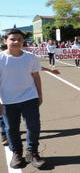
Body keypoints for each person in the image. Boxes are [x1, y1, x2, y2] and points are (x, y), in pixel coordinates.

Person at [0, 29, 46, 169]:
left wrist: (39, 95)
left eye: (19, 39)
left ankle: (32, 152)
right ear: (5, 41)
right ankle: (17, 153)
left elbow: (36, 77)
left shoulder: (30, 57)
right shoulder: (1, 58)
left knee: (33, 125)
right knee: (11, 128)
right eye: (13, 39)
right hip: (8, 100)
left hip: (29, 97)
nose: (16, 42)